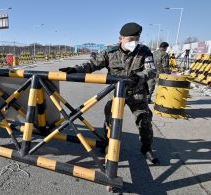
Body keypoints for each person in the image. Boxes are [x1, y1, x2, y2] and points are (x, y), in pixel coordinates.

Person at [59, 22, 159, 164]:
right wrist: (75, 69)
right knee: (110, 120)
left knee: (145, 121)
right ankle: (108, 144)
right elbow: (92, 64)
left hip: (137, 93)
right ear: (121, 39)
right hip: (117, 94)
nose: (134, 43)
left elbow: (151, 70)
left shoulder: (144, 51)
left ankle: (146, 147)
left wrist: (139, 77)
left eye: (137, 39)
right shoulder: (110, 52)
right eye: (130, 40)